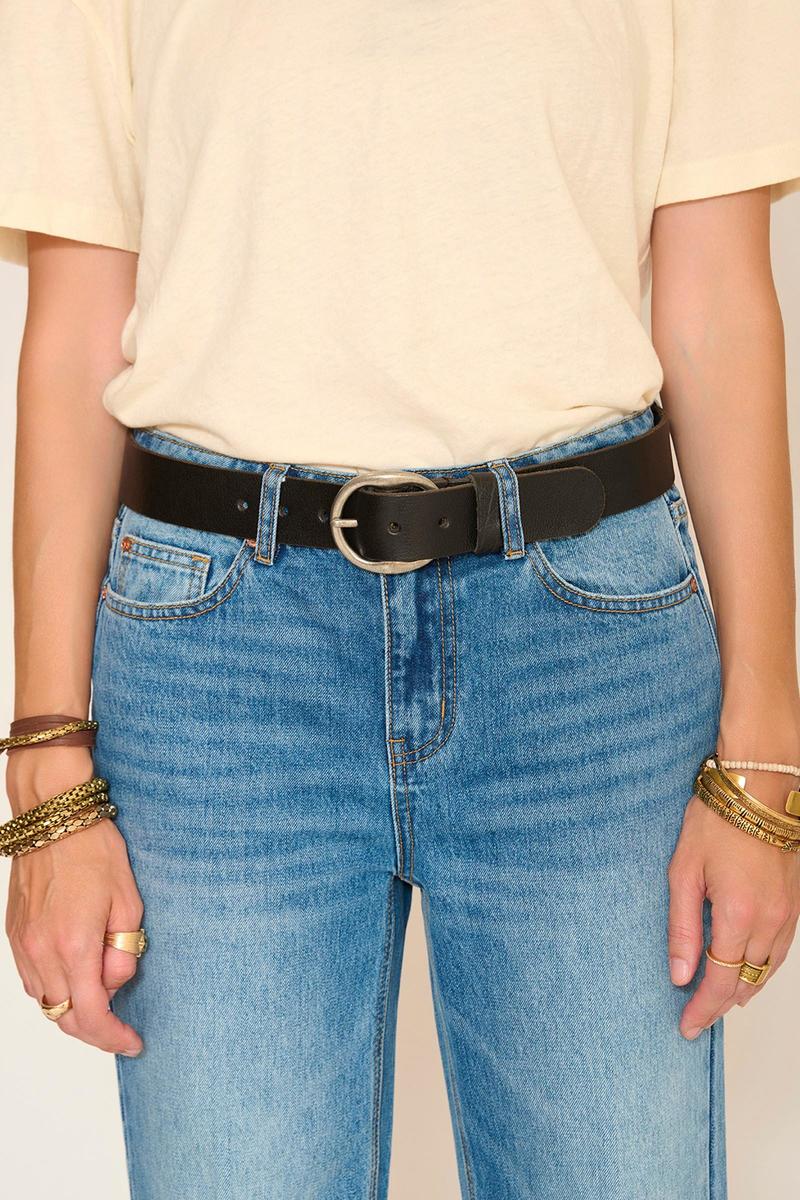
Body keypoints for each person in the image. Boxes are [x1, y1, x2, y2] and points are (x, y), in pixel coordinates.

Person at [1, 3, 799, 1198]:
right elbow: (75, 335)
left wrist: (766, 759)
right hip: (219, 666)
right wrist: (47, 766)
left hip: (586, 657)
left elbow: (716, 310)